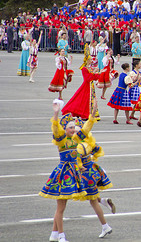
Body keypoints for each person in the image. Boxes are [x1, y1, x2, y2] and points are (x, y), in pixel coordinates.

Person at [39, 102, 95, 242]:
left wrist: (92, 115)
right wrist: (56, 114)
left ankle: (54, 234)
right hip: (63, 174)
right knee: (61, 207)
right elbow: (56, 129)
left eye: (73, 128)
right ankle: (61, 236)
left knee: (61, 207)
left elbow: (86, 129)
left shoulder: (75, 140)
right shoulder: (62, 141)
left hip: (72, 173)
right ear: (65, 129)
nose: (73, 130)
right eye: (70, 128)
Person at [75, 128, 115, 239]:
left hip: (87, 176)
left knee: (92, 201)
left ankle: (105, 226)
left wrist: (80, 167)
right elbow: (97, 150)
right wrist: (91, 159)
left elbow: (77, 162)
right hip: (93, 171)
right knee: (90, 196)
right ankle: (103, 201)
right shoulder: (88, 142)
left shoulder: (78, 146)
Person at [62, 55, 100, 120]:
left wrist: (100, 74)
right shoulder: (84, 69)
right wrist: (94, 72)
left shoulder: (90, 68)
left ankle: (89, 113)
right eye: (90, 59)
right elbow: (88, 78)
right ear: (87, 60)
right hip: (86, 86)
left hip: (91, 86)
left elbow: (93, 77)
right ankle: (84, 114)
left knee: (88, 100)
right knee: (84, 100)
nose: (92, 61)